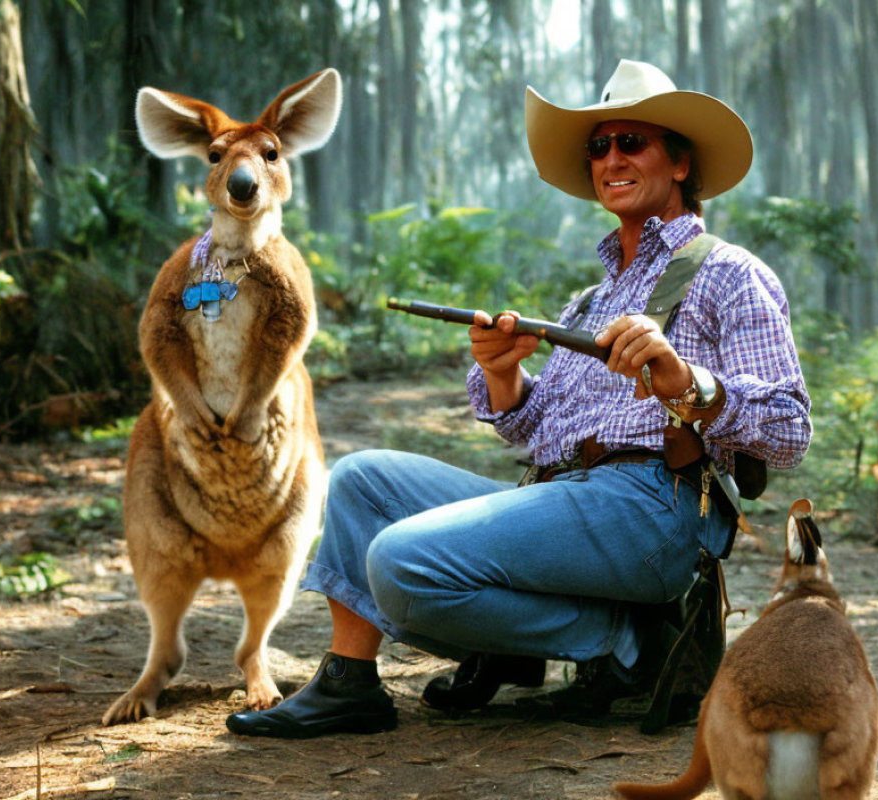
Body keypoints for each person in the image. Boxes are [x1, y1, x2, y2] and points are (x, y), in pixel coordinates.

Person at [226, 59, 812, 739]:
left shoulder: (729, 273)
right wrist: (504, 377)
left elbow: (790, 430)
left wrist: (689, 385)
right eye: (599, 146)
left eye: (632, 143)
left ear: (680, 163)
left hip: (652, 511)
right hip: (565, 498)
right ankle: (350, 681)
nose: (611, 158)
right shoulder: (591, 300)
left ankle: (627, 642)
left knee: (398, 562)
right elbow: (538, 436)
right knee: (360, 482)